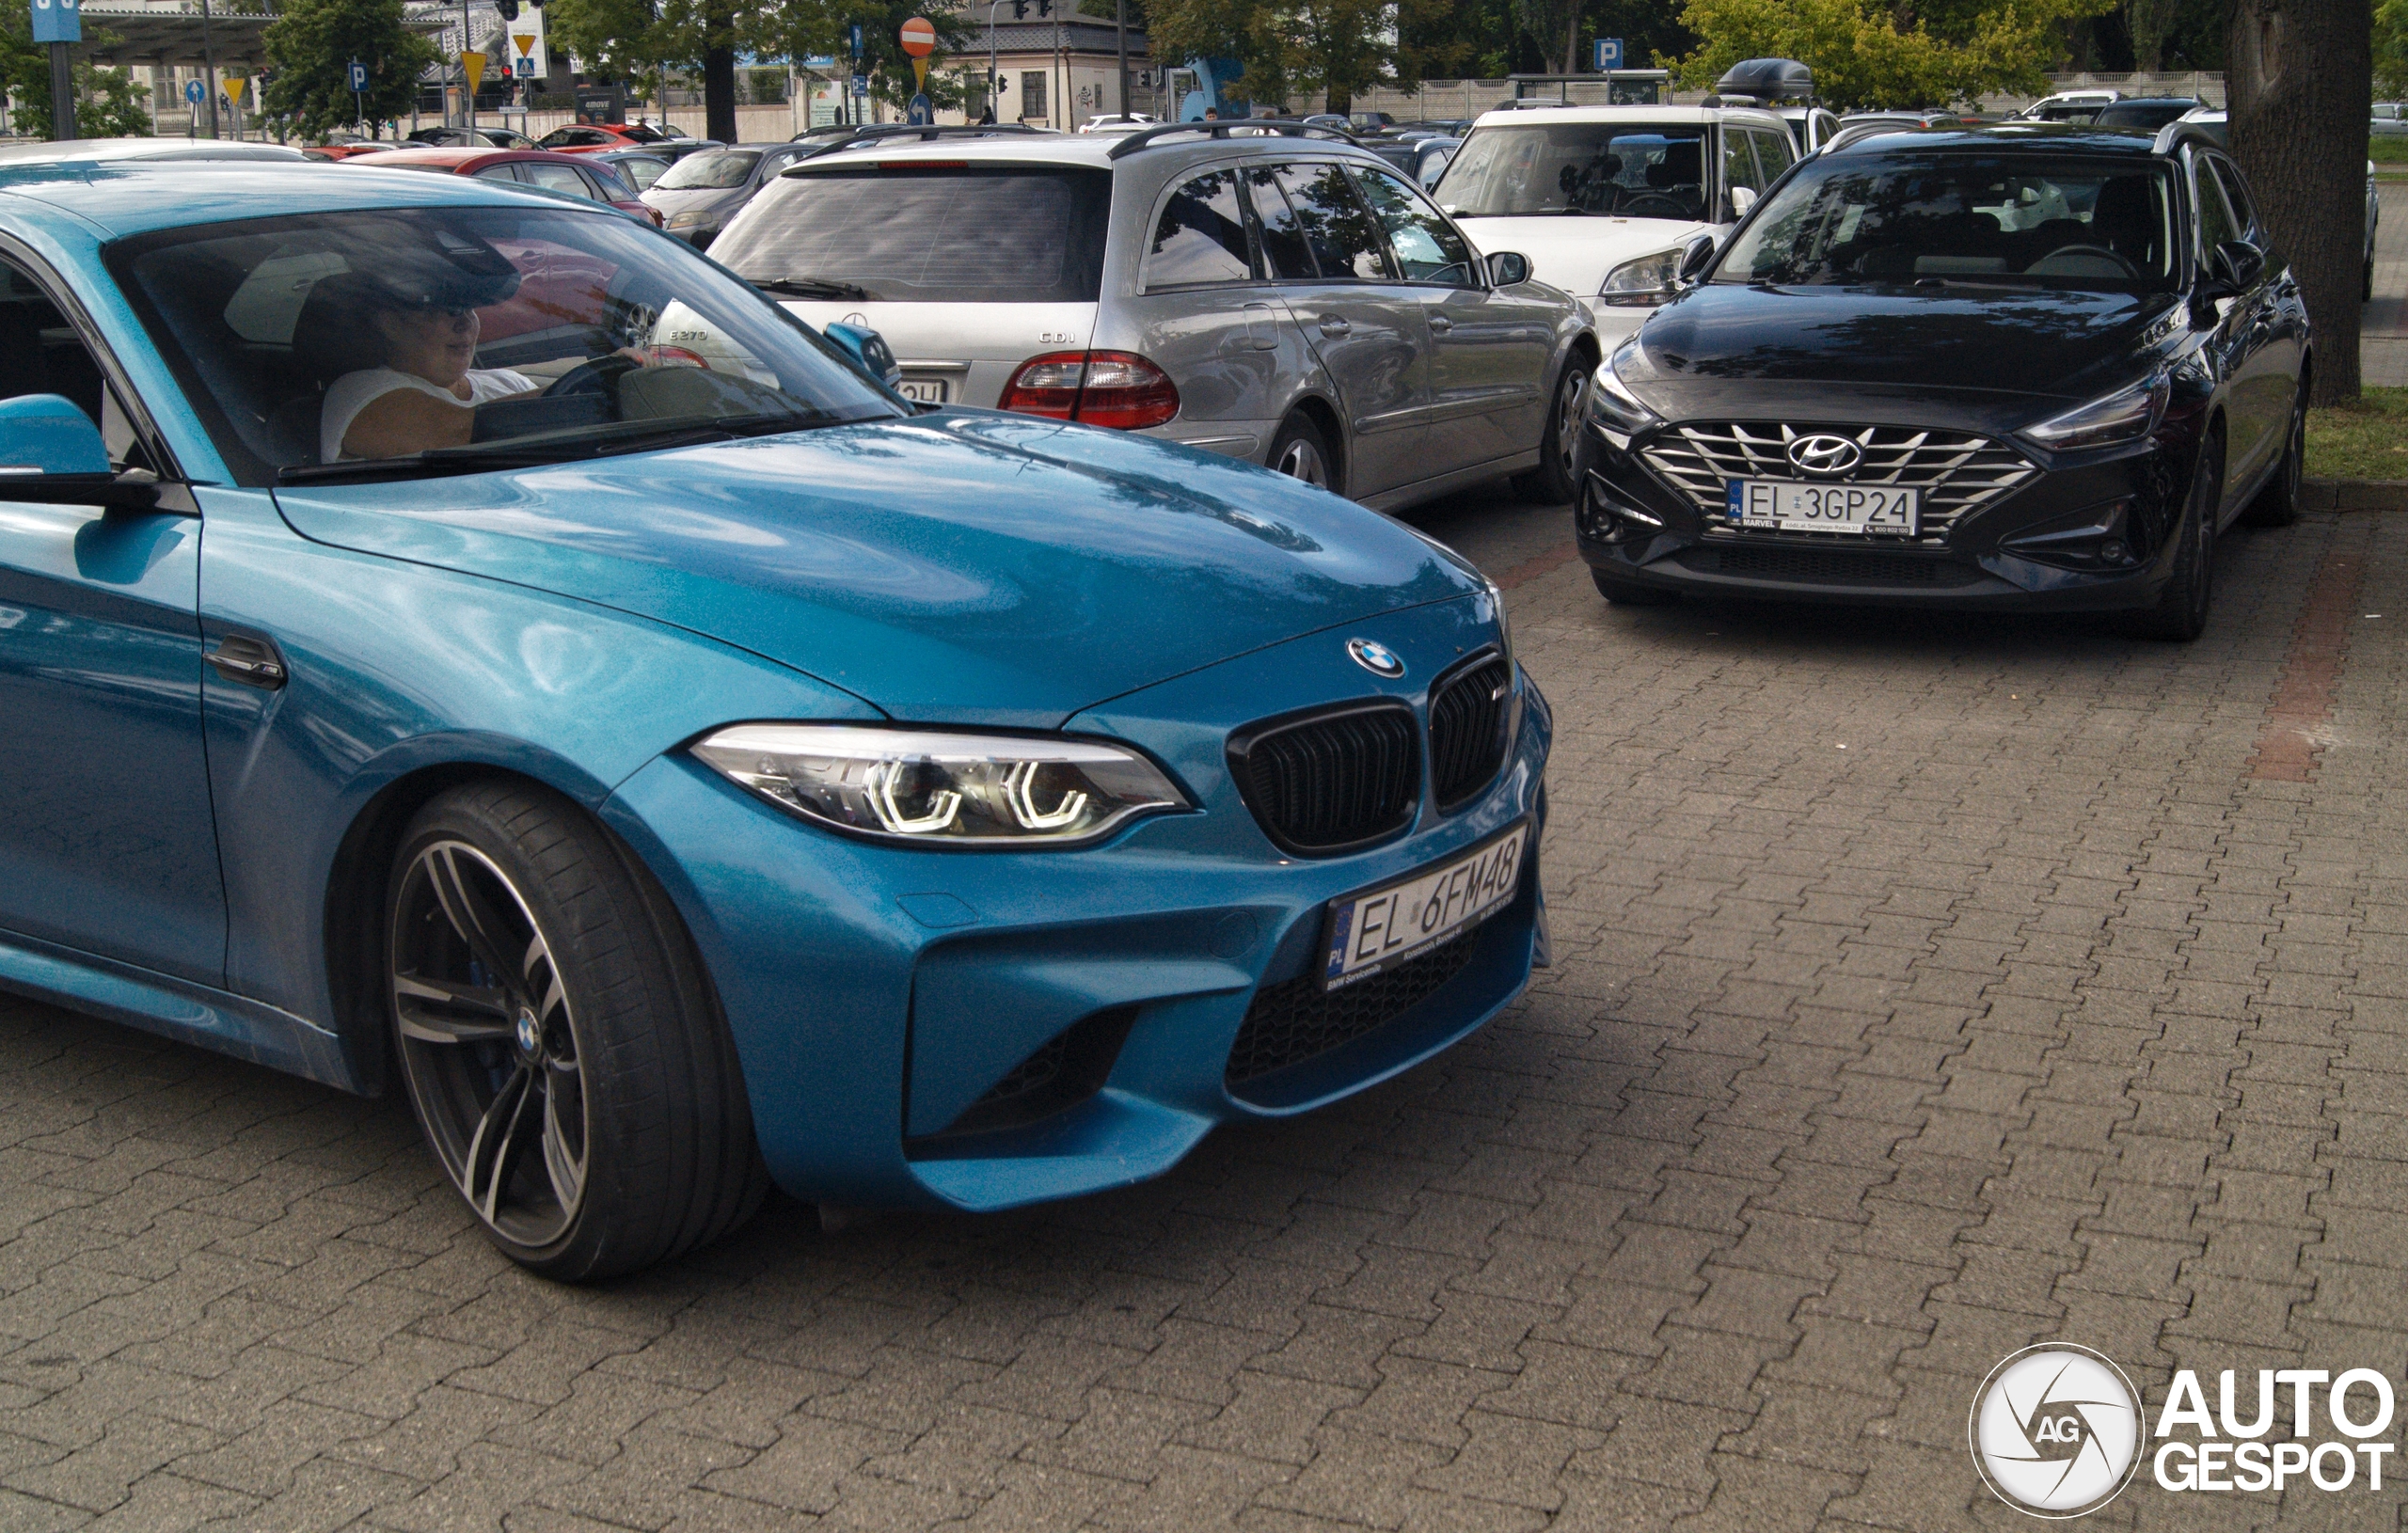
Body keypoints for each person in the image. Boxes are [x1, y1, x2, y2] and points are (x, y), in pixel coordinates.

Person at [309, 248, 541, 462]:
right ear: (390, 324)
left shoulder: (509, 381)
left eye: (469, 309)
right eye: (446, 311)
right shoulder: (356, 391)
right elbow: (458, 436)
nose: (465, 324)